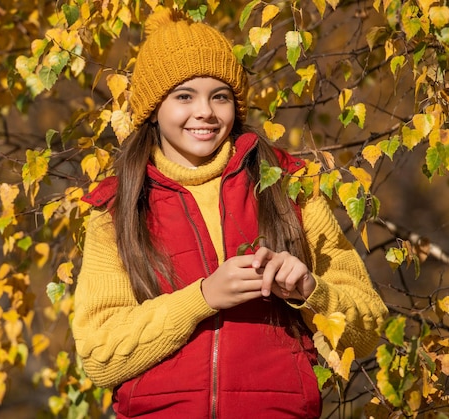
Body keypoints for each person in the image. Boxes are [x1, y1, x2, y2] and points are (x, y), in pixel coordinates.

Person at [73, 7, 388, 418]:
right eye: (184, 96)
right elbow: (100, 355)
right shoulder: (118, 210)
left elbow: (368, 330)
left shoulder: (288, 188)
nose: (204, 111)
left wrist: (311, 291)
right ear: (153, 107)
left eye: (219, 96)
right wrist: (203, 298)